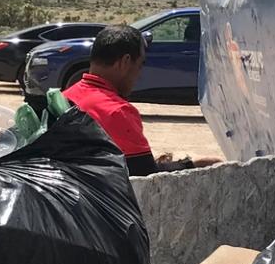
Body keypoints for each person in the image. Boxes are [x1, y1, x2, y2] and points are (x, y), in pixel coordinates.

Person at [63, 24, 195, 176]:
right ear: (125, 62)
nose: (138, 76)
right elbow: (145, 177)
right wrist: (190, 164)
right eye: (140, 65)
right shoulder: (118, 112)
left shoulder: (65, 97)